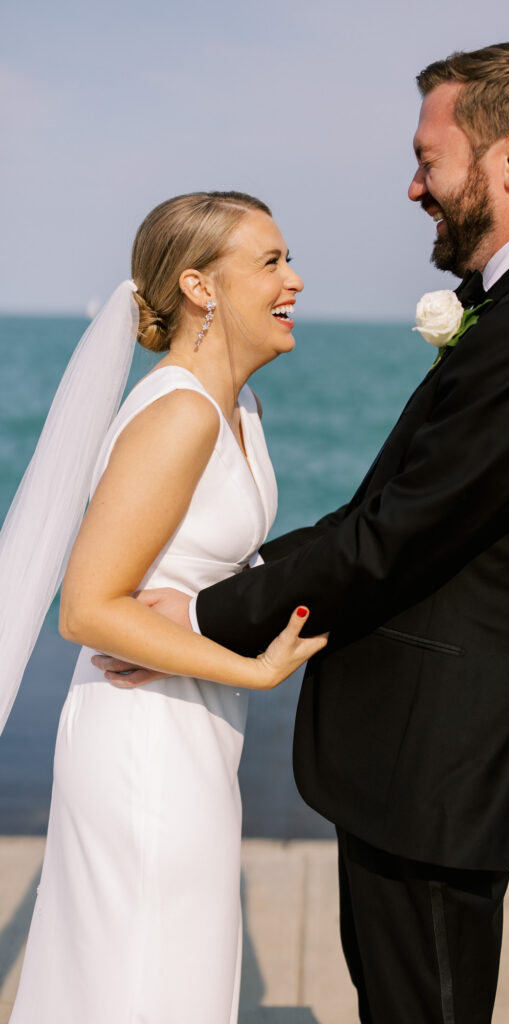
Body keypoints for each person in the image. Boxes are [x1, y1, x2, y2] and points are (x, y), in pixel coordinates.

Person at [99, 44, 509, 1024]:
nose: (412, 186)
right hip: (432, 763)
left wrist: (205, 610)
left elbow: (396, 534)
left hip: (441, 766)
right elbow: (400, 513)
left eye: (429, 160)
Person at [1, 191, 327, 1024]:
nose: (294, 280)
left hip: (195, 732)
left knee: (176, 972)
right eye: (270, 262)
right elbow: (85, 609)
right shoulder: (179, 411)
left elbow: (218, 564)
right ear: (199, 287)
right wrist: (249, 671)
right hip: (141, 738)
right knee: (143, 980)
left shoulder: (238, 406)